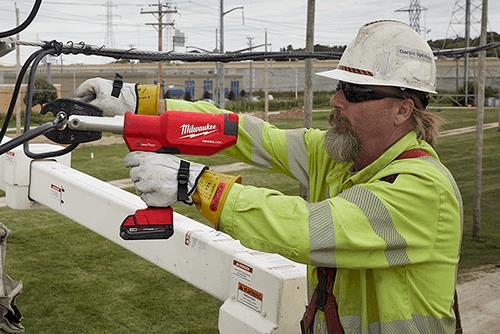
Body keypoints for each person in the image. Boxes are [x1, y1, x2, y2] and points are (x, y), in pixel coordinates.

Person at [76, 20, 463, 334]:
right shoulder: (341, 156)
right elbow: (244, 134)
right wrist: (145, 106)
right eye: (338, 86)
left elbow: (307, 229)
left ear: (402, 109)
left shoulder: (424, 189)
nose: (336, 100)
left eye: (354, 91)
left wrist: (196, 185)